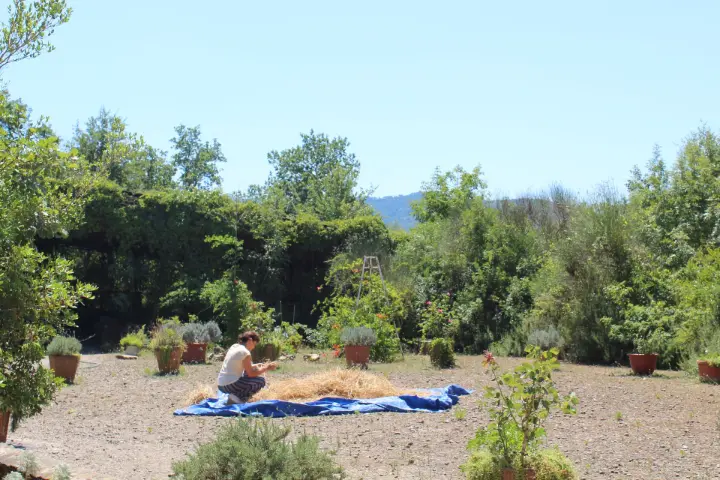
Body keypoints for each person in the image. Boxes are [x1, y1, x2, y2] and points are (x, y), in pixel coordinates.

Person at [217, 330, 277, 404]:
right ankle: (237, 397)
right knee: (261, 381)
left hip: (221, 385)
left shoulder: (234, 346)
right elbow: (251, 374)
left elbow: (241, 365)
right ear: (250, 340)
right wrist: (266, 368)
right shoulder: (245, 352)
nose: (254, 347)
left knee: (246, 374)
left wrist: (256, 365)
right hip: (230, 385)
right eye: (254, 344)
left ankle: (235, 395)